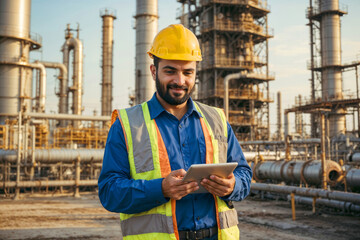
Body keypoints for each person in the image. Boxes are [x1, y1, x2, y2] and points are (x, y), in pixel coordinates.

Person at [98, 24, 252, 240]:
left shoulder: (216, 120)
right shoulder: (126, 125)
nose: (180, 81)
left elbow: (244, 174)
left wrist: (232, 185)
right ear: (154, 71)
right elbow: (109, 192)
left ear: (196, 73)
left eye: (188, 72)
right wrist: (160, 189)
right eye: (170, 71)